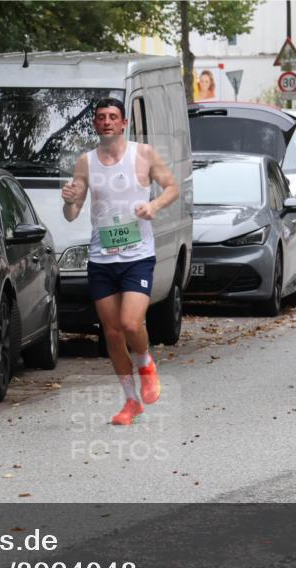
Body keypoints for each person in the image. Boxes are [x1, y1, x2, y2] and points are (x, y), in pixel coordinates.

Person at [61, 98, 179, 425]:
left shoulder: (143, 154)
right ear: (95, 125)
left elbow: (172, 188)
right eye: (101, 117)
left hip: (137, 256)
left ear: (124, 123)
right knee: (112, 334)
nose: (107, 122)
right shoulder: (85, 163)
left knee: (130, 323)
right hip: (101, 258)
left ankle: (146, 365)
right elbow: (72, 214)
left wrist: (153, 207)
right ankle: (131, 401)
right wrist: (69, 202)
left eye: (113, 117)